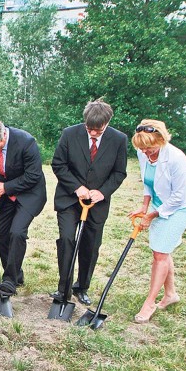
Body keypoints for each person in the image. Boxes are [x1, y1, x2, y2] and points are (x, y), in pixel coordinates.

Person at [51, 99, 128, 306]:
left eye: (98, 130)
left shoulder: (119, 139)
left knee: (90, 246)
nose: (93, 133)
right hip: (69, 199)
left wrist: (101, 193)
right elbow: (58, 164)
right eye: (89, 129)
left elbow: (119, 172)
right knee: (67, 239)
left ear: (107, 123)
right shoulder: (69, 134)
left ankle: (81, 287)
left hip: (97, 205)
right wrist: (77, 188)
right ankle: (63, 288)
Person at [128, 120, 186, 324]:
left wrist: (151, 216)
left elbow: (178, 196)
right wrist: (144, 207)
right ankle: (170, 294)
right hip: (160, 201)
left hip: (181, 205)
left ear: (161, 140)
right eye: (142, 150)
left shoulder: (176, 158)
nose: (146, 154)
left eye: (150, 149)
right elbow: (148, 182)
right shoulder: (142, 153)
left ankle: (150, 303)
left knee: (160, 253)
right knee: (161, 250)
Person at [0, 119, 47, 296]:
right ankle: (17, 274)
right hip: (4, 196)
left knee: (17, 232)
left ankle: (9, 280)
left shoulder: (26, 142)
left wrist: (6, 187)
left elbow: (33, 175)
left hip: (29, 193)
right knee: (1, 234)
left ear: (3, 136)